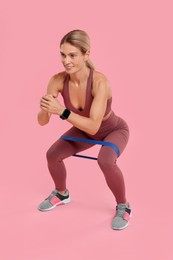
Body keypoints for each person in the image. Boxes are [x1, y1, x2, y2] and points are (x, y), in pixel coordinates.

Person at [37, 29, 131, 230]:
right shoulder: (57, 80)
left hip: (112, 129)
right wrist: (45, 108)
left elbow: (95, 125)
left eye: (73, 55)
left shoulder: (99, 82)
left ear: (86, 54)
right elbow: (42, 122)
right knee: (52, 155)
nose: (66, 61)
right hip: (83, 129)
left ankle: (124, 206)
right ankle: (61, 193)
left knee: (105, 160)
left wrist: (61, 111)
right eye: (63, 54)